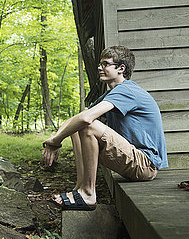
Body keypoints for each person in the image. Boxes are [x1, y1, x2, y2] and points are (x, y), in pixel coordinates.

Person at [41, 45, 168, 210]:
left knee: (88, 125)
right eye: (100, 64)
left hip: (145, 164)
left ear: (121, 68)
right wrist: (53, 140)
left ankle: (88, 192)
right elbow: (78, 117)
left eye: (106, 64)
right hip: (132, 159)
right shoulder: (111, 94)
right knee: (77, 127)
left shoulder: (127, 90)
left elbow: (87, 119)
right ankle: (80, 188)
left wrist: (56, 142)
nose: (100, 68)